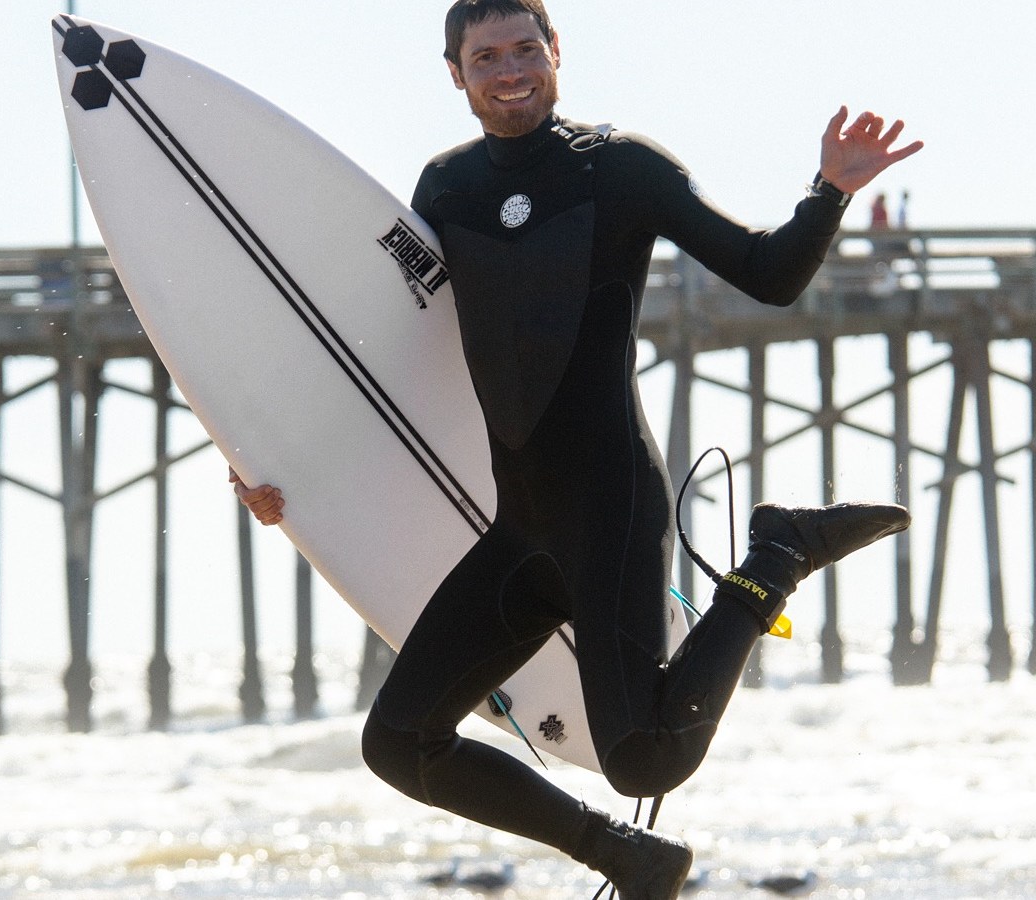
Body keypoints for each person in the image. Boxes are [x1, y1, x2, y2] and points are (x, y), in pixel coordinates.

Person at [231, 2, 920, 896]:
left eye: (526, 49)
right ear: (455, 73)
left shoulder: (622, 168)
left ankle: (776, 557)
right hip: (518, 527)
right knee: (398, 742)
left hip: (611, 505)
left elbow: (768, 273)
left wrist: (829, 191)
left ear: (557, 54)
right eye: (486, 56)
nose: (509, 69)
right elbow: (393, 352)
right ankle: (625, 856)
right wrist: (276, 466)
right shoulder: (442, 189)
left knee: (645, 761)